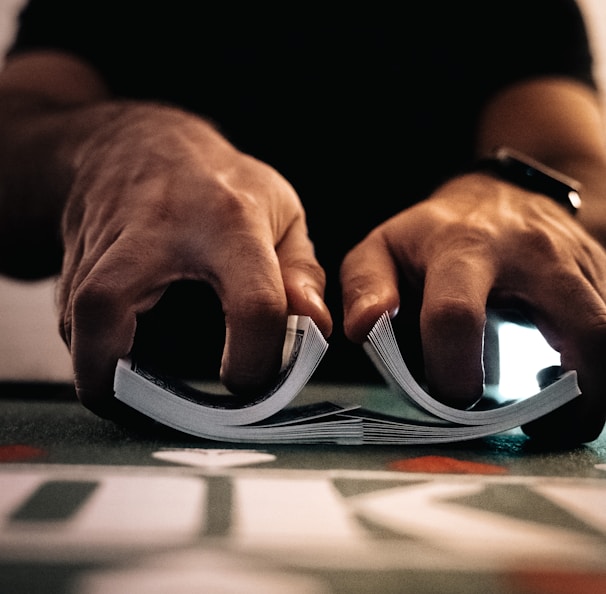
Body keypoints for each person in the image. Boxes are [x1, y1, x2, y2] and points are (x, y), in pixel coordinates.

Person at [0, 0, 605, 445]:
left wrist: (526, 192)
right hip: (153, 415)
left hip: (451, 414)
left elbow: (578, 163)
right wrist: (111, 142)